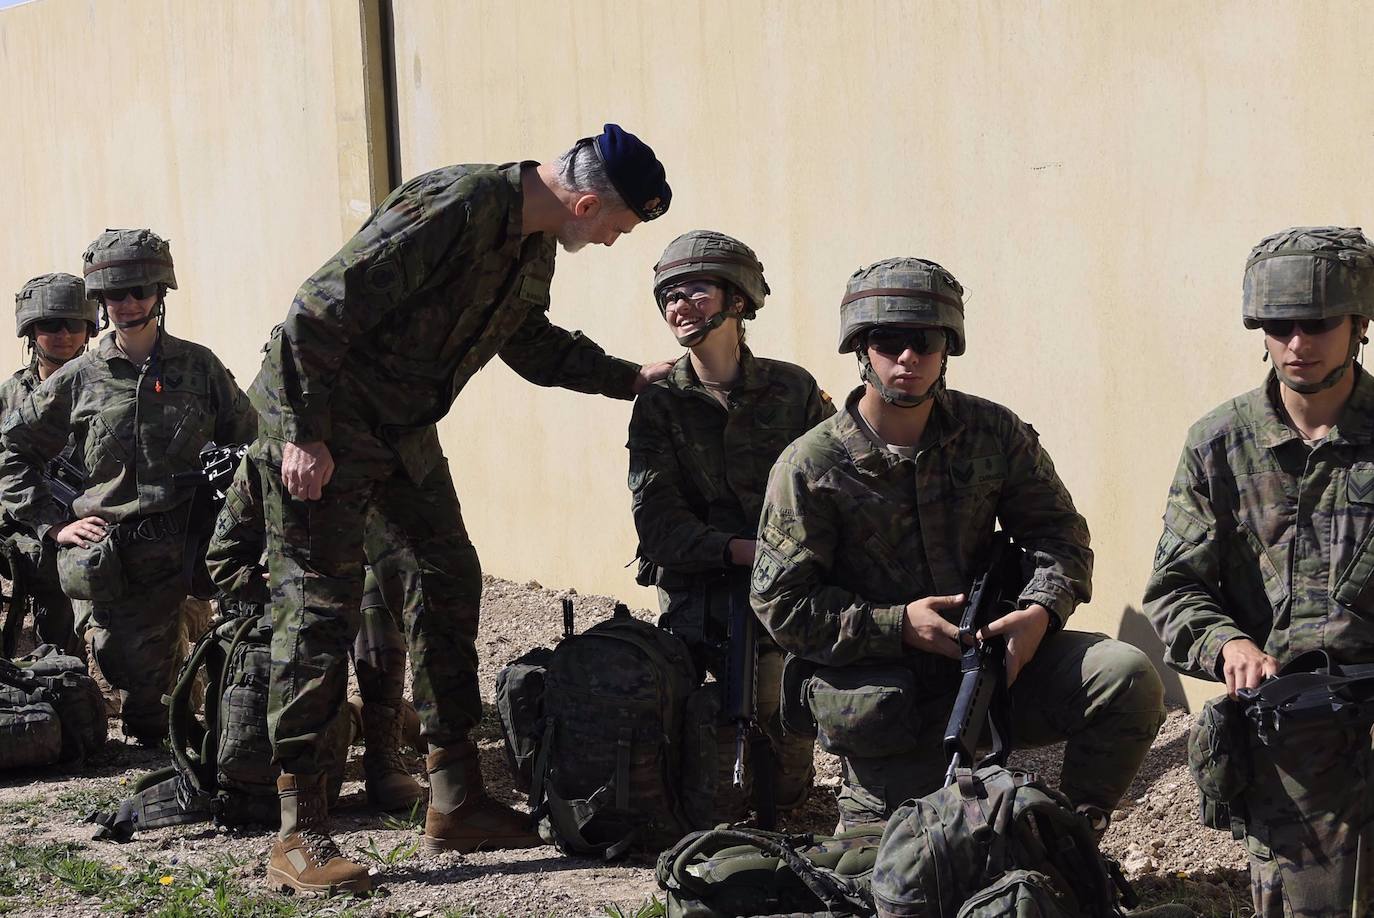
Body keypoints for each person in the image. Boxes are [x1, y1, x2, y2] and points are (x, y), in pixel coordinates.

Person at [250, 124, 673, 895]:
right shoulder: (460, 204)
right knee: (318, 609)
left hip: (400, 430)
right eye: (617, 228)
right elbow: (315, 310)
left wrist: (629, 378)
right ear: (583, 203)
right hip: (326, 425)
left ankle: (454, 796)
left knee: (448, 574)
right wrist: (304, 435)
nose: (613, 242)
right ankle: (299, 832)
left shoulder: (533, 239)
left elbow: (529, 342)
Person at [750, 256, 1165, 831]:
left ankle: (1073, 836)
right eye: (888, 340)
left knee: (1125, 676)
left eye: (925, 341)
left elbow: (1059, 534)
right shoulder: (811, 466)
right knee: (899, 874)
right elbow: (783, 606)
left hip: (996, 664)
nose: (907, 358)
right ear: (859, 349)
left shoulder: (992, 433)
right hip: (891, 700)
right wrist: (899, 625)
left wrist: (1039, 612)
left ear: (948, 349)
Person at [1144, 226, 1374, 917]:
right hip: (1297, 734)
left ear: (1359, 325)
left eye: (1316, 323)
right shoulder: (1220, 446)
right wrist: (1228, 644)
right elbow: (1175, 588)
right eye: (1278, 325)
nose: (1296, 342)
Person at [0, 229, 257, 745]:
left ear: (161, 294)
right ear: (101, 300)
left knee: (243, 673)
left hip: (199, 548)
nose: (129, 303)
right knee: (146, 716)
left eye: (141, 291)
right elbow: (12, 454)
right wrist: (55, 525)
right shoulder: (76, 380)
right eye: (115, 294)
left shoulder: (199, 366)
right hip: (125, 561)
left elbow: (250, 441)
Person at [628, 230, 831, 820]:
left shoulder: (792, 389)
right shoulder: (661, 402)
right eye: (669, 294)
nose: (679, 305)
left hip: (788, 588)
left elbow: (834, 488)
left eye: (695, 290)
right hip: (702, 589)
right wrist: (739, 551)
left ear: (738, 301)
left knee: (788, 775)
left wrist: (792, 559)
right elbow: (659, 527)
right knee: (710, 755)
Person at [206, 454, 423, 811]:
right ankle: (353, 722)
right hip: (289, 615)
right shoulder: (268, 457)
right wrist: (267, 583)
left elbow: (414, 549)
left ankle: (384, 752)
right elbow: (221, 558)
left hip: (356, 604)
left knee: (373, 587)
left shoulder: (374, 450)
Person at [0, 273, 98, 656]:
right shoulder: (9, 399)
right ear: (30, 330)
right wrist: (47, 524)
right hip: (26, 537)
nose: (63, 334)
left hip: (92, 533)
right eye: (49, 324)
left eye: (73, 324)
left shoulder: (109, 389)